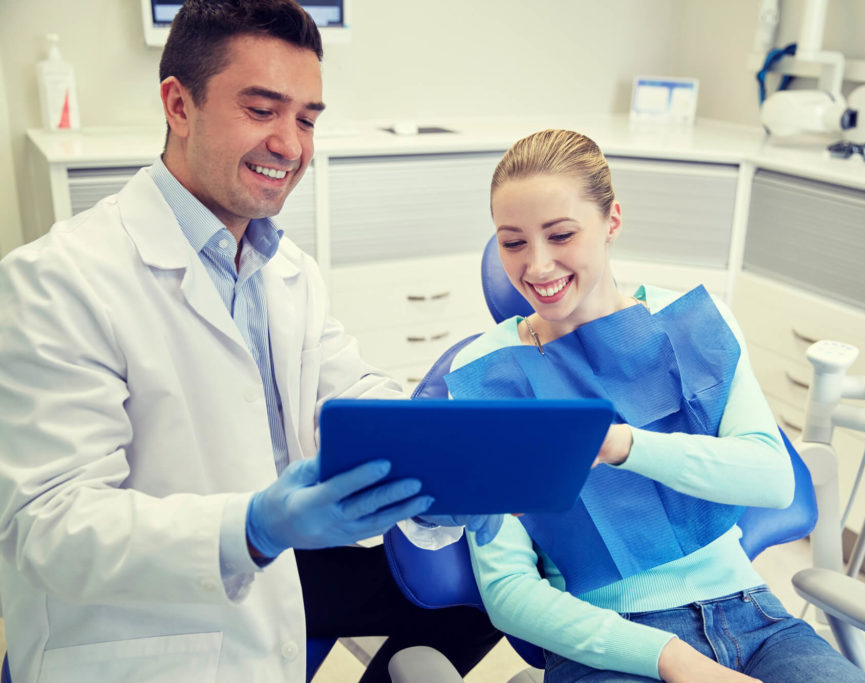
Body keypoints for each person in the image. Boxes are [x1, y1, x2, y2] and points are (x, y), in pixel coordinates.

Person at [0, 2, 500, 681]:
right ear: (178, 104)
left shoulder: (286, 270)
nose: (291, 146)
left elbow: (349, 391)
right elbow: (48, 527)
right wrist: (253, 526)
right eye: (262, 111)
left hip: (274, 582)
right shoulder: (58, 281)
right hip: (142, 633)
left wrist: (446, 454)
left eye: (307, 118)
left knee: (475, 595)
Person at [443, 129, 865, 682]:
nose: (538, 265)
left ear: (612, 222)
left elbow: (772, 480)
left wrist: (619, 444)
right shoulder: (487, 374)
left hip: (755, 619)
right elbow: (508, 592)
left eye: (561, 235)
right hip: (607, 643)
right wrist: (673, 659)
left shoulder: (690, 322)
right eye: (513, 242)